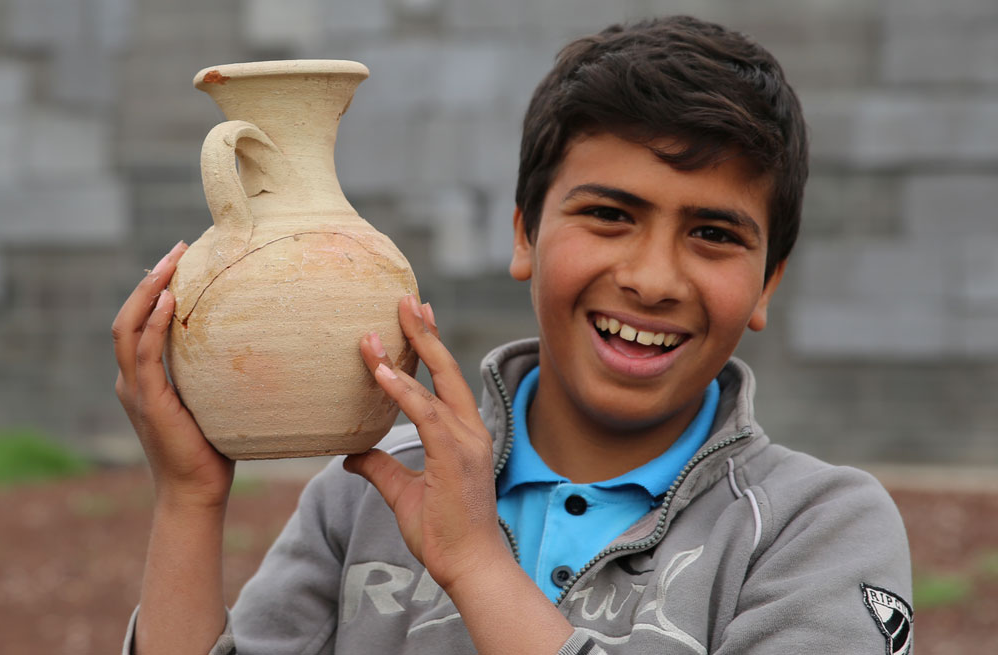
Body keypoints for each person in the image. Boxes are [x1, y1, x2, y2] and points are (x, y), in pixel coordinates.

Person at [113, 15, 912, 655]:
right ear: (525, 233)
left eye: (713, 234)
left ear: (768, 282)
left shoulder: (818, 524)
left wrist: (476, 564)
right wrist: (189, 498)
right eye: (609, 215)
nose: (654, 277)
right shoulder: (366, 495)